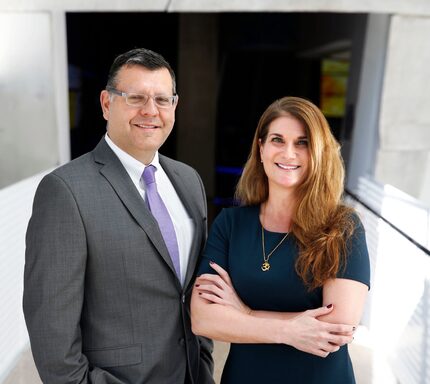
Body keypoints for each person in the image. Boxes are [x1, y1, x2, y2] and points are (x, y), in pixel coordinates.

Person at [23, 48, 214, 384]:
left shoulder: (188, 181)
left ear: (175, 106)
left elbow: (195, 290)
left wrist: (203, 362)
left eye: (162, 99)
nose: (150, 111)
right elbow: (52, 334)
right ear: (107, 104)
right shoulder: (65, 192)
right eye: (136, 97)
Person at [191, 96, 370, 383]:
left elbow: (334, 331)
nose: (289, 153)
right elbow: (203, 319)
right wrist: (288, 329)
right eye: (277, 140)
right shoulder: (231, 223)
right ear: (260, 149)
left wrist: (245, 313)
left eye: (302, 143)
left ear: (319, 153)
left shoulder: (343, 227)